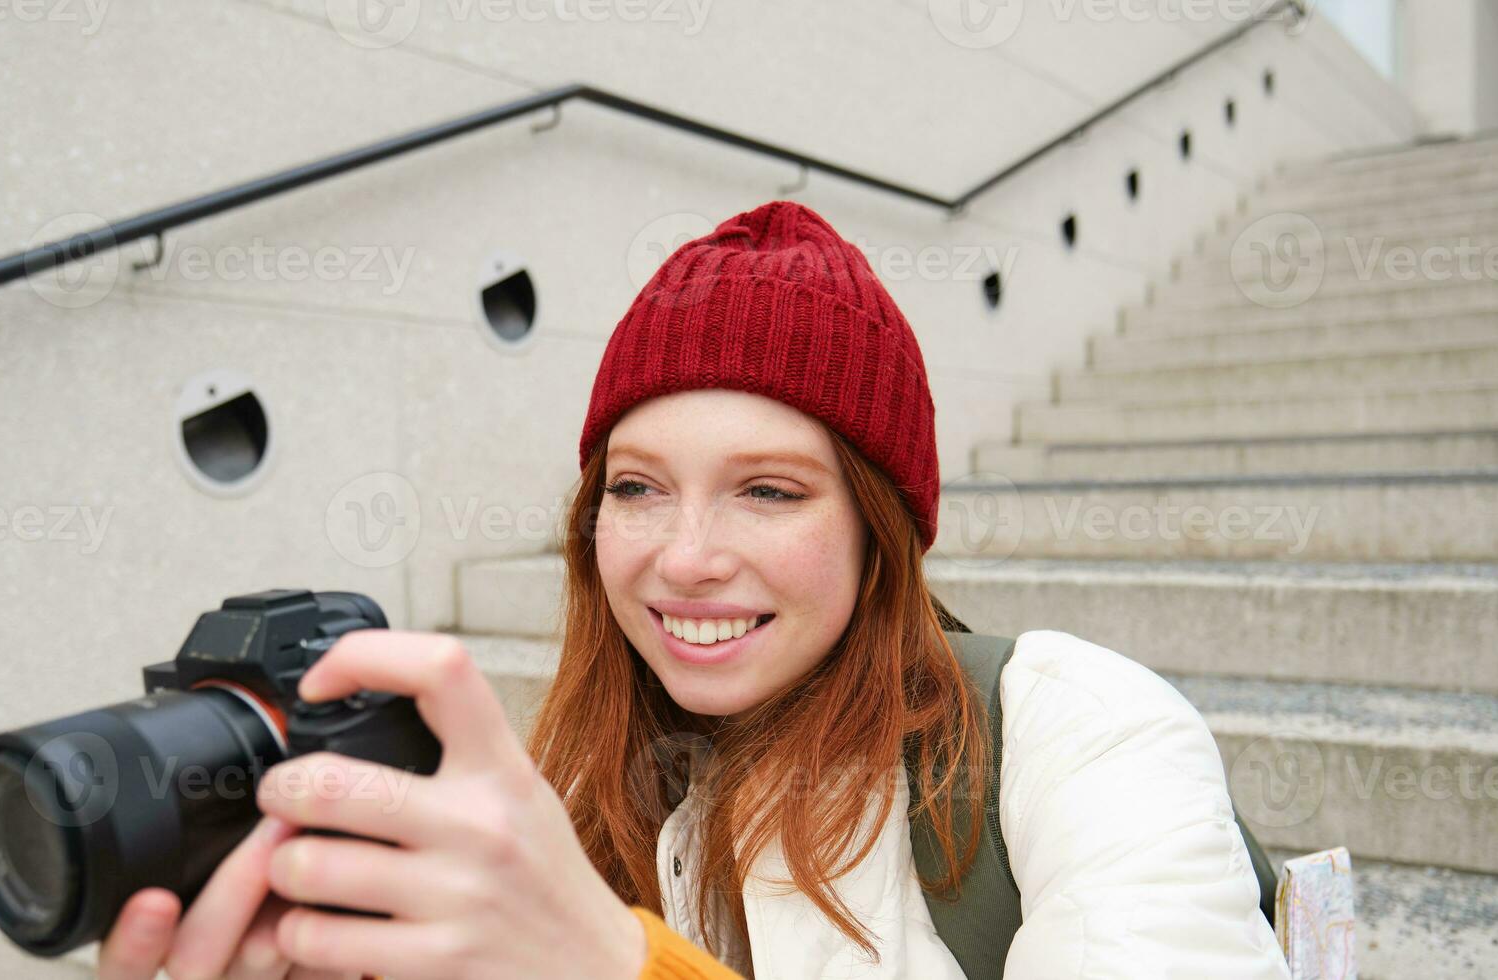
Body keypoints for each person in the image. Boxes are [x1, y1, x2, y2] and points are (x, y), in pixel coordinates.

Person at [93, 201, 1288, 979]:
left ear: (881, 534)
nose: (684, 555)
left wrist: (618, 965)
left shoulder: (1077, 728)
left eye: (767, 491)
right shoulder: (577, 792)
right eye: (637, 487)